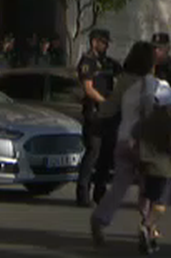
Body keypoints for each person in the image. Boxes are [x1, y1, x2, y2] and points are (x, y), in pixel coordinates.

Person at [89, 40, 171, 253]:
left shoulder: (123, 81)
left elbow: (108, 108)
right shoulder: (154, 84)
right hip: (146, 143)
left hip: (123, 139)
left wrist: (99, 115)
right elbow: (169, 107)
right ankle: (148, 226)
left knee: (119, 186)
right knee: (152, 186)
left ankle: (100, 219)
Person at [75, 28, 120, 207]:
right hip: (94, 113)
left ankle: (100, 192)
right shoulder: (87, 61)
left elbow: (123, 75)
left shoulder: (108, 62)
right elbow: (88, 88)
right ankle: (83, 193)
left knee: (106, 155)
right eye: (103, 43)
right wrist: (104, 102)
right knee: (93, 152)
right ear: (94, 42)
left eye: (107, 43)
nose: (106, 46)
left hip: (108, 115)